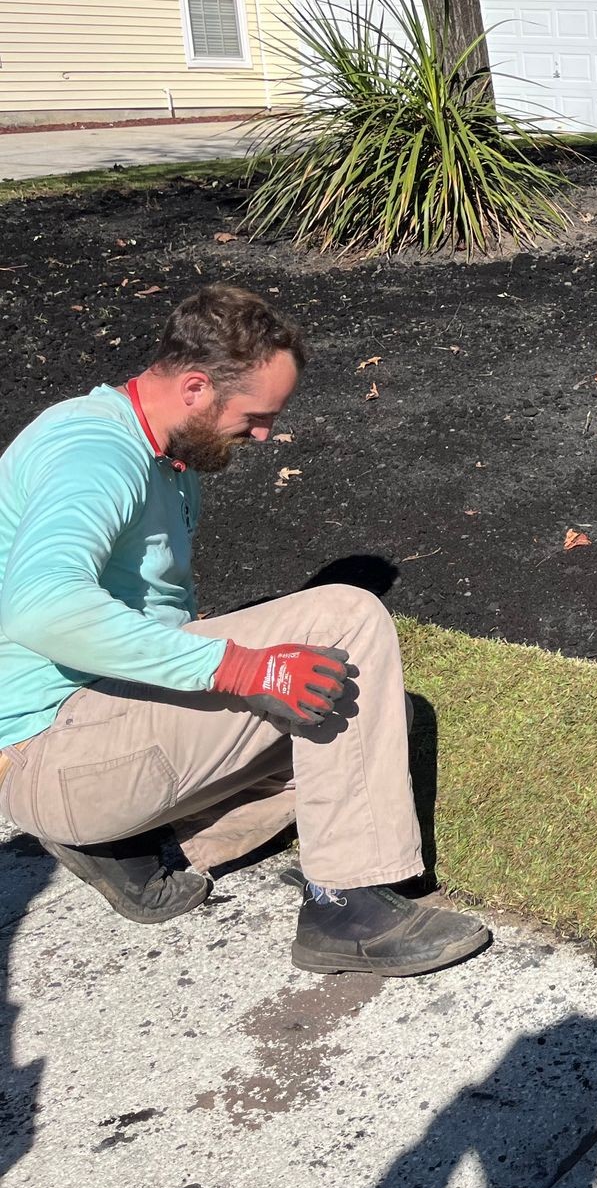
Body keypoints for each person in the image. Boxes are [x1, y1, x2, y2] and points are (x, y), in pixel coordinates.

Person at [0, 284, 490, 976]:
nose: (264, 434)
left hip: (91, 747)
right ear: (196, 386)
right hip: (57, 749)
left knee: (367, 715)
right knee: (343, 618)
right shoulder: (94, 451)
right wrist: (245, 670)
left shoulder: (166, 456)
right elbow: (40, 606)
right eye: (257, 415)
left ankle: (139, 843)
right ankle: (345, 907)